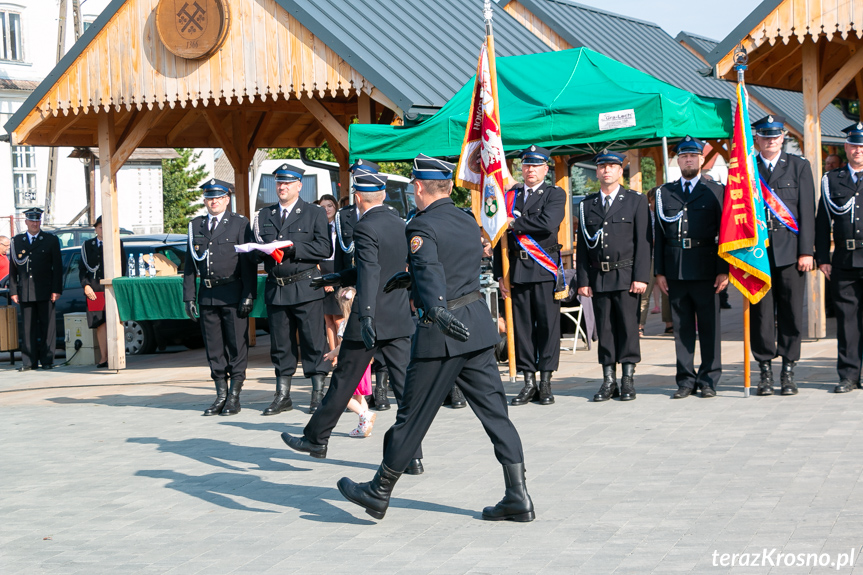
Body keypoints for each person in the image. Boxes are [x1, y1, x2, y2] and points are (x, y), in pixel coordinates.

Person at [336, 154, 534, 523]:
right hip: (476, 327)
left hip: (441, 334)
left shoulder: (421, 225)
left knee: (411, 416)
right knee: (497, 415)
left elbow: (428, 268)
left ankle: (379, 491)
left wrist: (436, 307)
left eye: (413, 186)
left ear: (419, 187)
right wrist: (411, 281)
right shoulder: (465, 218)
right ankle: (518, 495)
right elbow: (452, 265)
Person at [281, 169, 423, 473]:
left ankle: (316, 439)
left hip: (369, 318)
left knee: (344, 381)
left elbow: (371, 272)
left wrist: (367, 313)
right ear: (383, 195)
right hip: (398, 317)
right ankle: (413, 455)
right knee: (404, 388)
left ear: (357, 197)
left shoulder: (365, 226)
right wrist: (339, 276)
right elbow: (388, 268)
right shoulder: (400, 224)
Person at [254, 164, 332, 415]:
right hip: (277, 289)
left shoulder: (314, 212)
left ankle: (317, 394)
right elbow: (258, 249)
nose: (282, 187)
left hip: (305, 286)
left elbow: (324, 248)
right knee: (280, 345)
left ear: (299, 185)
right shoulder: (264, 215)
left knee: (313, 342)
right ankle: (282, 395)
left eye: (287, 183)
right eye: (278, 183)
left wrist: (293, 248)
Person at [654, 136, 729, 398]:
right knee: (681, 327)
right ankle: (685, 380)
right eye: (684, 156)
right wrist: (659, 271)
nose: (688, 159)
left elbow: (725, 233)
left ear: (701, 160)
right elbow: (659, 234)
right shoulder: (664, 192)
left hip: (707, 267)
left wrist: (724, 270)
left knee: (710, 327)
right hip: (675, 269)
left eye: (693, 156)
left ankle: (708, 379)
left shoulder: (716, 191)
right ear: (677, 160)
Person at [494, 145, 566, 407]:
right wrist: (499, 273)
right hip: (516, 271)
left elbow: (547, 224)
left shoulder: (555, 194)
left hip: (544, 270)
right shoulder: (510, 196)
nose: (530, 170)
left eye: (536, 165)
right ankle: (528, 382)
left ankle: (545, 382)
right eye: (526, 165)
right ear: (520, 168)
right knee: (521, 329)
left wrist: (514, 222)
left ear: (545, 169)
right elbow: (497, 237)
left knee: (547, 328)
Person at [749, 115, 816, 396]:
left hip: (790, 251)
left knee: (790, 312)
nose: (771, 140)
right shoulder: (748, 170)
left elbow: (807, 213)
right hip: (757, 254)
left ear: (783, 137)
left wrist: (806, 251)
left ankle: (788, 370)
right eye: (765, 136)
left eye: (776, 136)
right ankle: (764, 371)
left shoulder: (799, 166)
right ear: (757, 139)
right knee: (761, 314)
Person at [576, 150, 650, 401]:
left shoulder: (635, 201)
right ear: (597, 172)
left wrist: (641, 276)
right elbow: (584, 246)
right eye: (602, 167)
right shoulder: (588, 205)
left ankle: (627, 379)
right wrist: (583, 281)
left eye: (612, 166)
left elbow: (643, 242)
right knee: (605, 329)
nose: (606, 170)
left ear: (621, 171)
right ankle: (609, 380)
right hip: (599, 277)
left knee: (628, 328)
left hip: (627, 274)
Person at [183, 179, 257, 416]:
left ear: (227, 199)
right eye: (209, 198)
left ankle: (234, 396)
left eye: (218, 197)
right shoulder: (196, 225)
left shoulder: (239, 224)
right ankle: (220, 395)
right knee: (214, 348)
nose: (213, 201)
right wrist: (189, 296)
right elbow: (189, 265)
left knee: (236, 345)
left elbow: (248, 263)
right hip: (207, 295)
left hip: (233, 293)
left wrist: (248, 295)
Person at [336, 159, 393, 412]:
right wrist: (338, 281)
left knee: (378, 337)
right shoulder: (345, 214)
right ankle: (356, 393)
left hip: (378, 282)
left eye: (363, 176)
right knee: (355, 340)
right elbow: (341, 252)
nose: (358, 179)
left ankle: (379, 389)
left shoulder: (387, 212)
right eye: (356, 177)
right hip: (353, 279)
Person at [816, 123, 863, 394]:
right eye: (854, 145)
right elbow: (823, 222)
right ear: (846, 148)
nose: (858, 150)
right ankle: (848, 375)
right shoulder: (832, 180)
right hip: (844, 258)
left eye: (861, 146)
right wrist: (823, 257)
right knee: (846, 321)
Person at [8, 207, 63, 371]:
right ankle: (28, 362)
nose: (35, 223)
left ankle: (47, 360)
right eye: (32, 220)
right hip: (25, 291)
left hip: (46, 291)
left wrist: (56, 289)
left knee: (48, 327)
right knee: (28, 327)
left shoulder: (50, 240)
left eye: (37, 220)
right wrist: (13, 291)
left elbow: (58, 268)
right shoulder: (17, 241)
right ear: (26, 222)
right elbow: (13, 269)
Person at [322, 287, 376, 438]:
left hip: (351, 365)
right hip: (364, 365)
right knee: (360, 397)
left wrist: (333, 353)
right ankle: (364, 426)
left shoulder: (345, 324)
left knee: (343, 396)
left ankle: (364, 415)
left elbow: (343, 346)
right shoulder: (365, 323)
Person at [78, 216, 117, 368]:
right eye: (100, 227)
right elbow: (82, 270)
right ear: (95, 229)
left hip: (112, 287)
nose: (103, 230)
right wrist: (86, 286)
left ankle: (115, 354)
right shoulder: (87, 245)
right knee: (100, 323)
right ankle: (104, 357)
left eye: (106, 227)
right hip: (95, 289)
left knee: (114, 321)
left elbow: (123, 265)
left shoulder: (115, 243)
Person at [637, 188, 673, 335]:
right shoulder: (644, 214)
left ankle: (669, 324)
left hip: (665, 258)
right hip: (649, 258)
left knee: (668, 292)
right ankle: (639, 325)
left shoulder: (665, 213)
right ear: (650, 199)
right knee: (644, 292)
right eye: (654, 199)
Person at [318, 193, 343, 353]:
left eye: (329, 205)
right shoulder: (318, 227)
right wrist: (323, 280)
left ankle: (342, 354)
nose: (326, 209)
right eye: (322, 207)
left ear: (335, 207)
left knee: (339, 319)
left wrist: (333, 281)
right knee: (328, 319)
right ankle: (332, 356)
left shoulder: (340, 226)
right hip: (322, 271)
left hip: (338, 271)